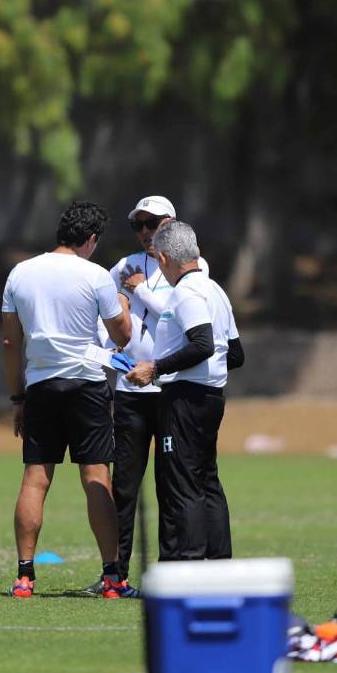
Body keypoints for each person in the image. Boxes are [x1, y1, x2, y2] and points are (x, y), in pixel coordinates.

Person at [1, 200, 138, 599]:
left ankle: (24, 576)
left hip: (42, 385)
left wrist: (17, 397)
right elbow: (122, 337)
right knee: (96, 476)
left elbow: (11, 342)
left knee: (35, 477)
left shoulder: (20, 273)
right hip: (86, 385)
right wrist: (125, 305)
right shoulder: (95, 276)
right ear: (91, 239)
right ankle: (113, 576)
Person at [82, 195, 212, 594]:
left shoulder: (194, 266)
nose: (144, 232)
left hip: (170, 387)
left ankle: (168, 572)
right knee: (124, 485)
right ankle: (114, 574)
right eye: (138, 224)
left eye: (151, 223)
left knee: (170, 482)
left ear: (170, 223)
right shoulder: (123, 266)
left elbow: (174, 311)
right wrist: (107, 352)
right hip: (130, 390)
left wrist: (137, 292)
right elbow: (105, 315)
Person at [126, 220, 243, 561]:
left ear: (162, 259)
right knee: (207, 481)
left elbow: (203, 343)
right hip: (210, 397)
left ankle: (190, 566)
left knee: (184, 484)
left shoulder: (186, 292)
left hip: (185, 399)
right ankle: (219, 564)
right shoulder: (216, 290)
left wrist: (156, 368)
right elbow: (234, 354)